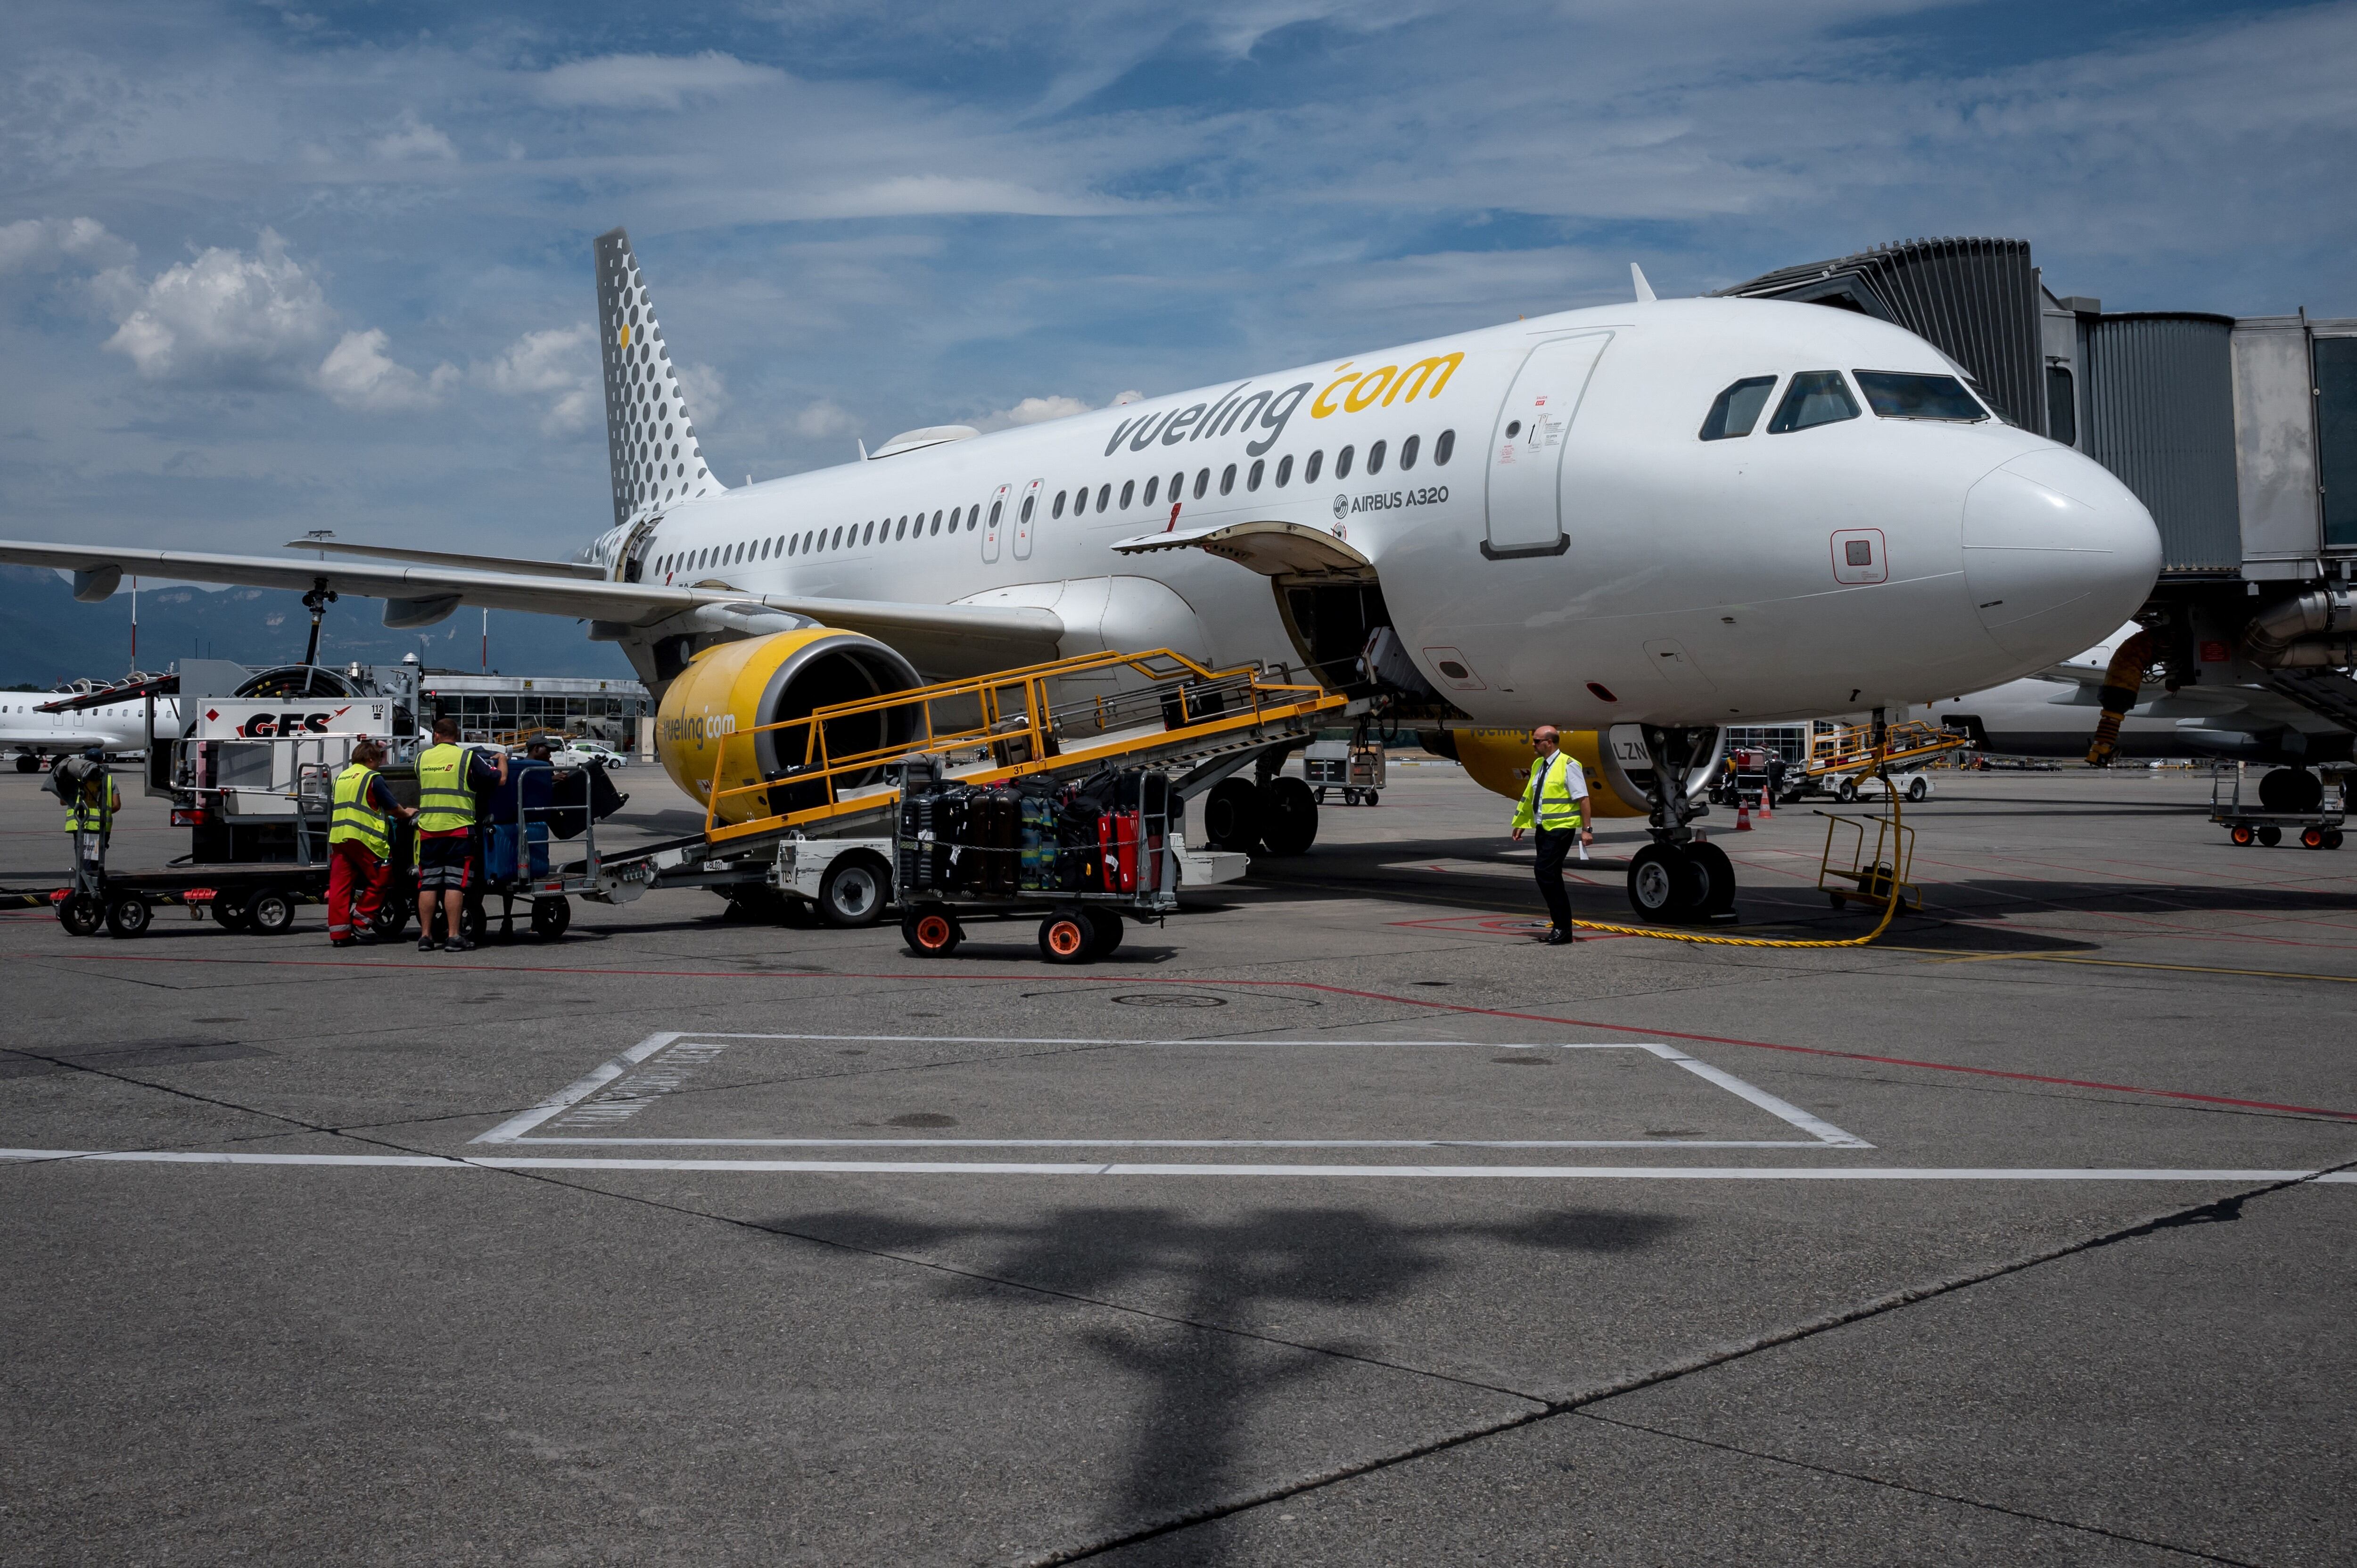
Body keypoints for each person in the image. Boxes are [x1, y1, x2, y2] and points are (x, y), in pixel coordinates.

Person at [413, 716, 507, 952]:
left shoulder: (421, 759)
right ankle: (454, 936)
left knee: (428, 884)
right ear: (456, 736)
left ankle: (426, 937)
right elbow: (501, 779)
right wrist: (503, 759)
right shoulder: (467, 758)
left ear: (436, 735)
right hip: (458, 831)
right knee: (455, 884)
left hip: (428, 831)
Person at [1508, 726, 1592, 944]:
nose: (1533, 745)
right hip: (1543, 828)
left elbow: (1583, 798)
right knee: (1551, 876)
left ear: (1550, 742)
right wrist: (1523, 823)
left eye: (1537, 741)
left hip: (1562, 828)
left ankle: (1563, 926)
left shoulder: (1569, 765)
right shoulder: (1539, 765)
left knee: (1544, 872)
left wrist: (1587, 829)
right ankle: (1562, 929)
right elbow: (1532, 796)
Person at [325, 739, 413, 948]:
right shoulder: (372, 777)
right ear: (371, 759)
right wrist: (407, 812)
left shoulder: (341, 778)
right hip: (363, 838)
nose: (381, 765)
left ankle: (340, 935)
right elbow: (393, 808)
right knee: (383, 876)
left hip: (340, 837)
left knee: (340, 887)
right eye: (379, 761)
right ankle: (360, 919)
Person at [61, 746, 119, 884]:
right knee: (96, 862)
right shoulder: (109, 780)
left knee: (84, 863)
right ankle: (97, 886)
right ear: (102, 762)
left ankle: (87, 891)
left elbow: (63, 801)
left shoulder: (76, 779)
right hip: (101, 826)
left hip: (81, 824)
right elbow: (116, 805)